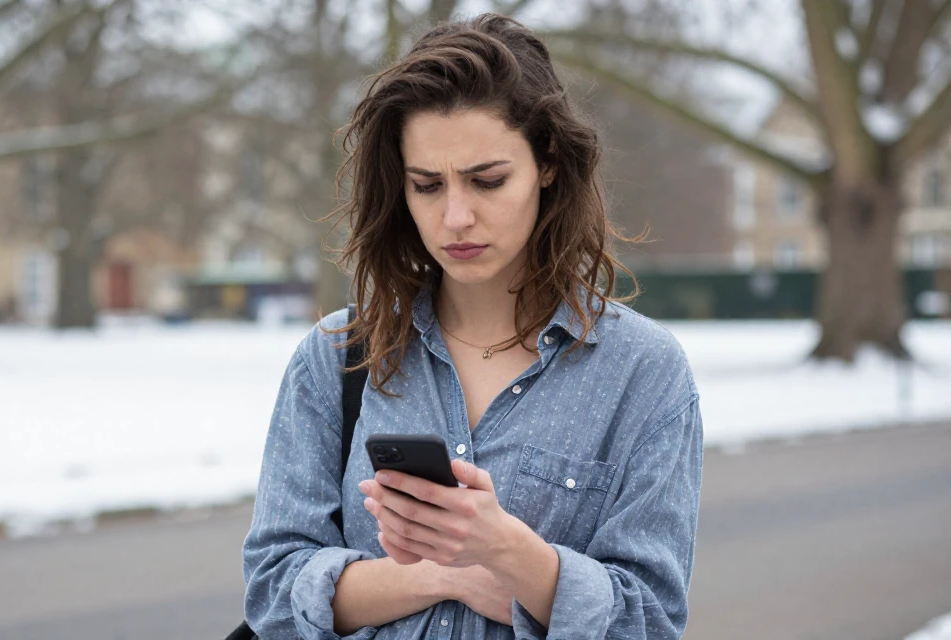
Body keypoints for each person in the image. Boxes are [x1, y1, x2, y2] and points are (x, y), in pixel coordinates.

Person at [242, 12, 702, 640]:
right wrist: (443, 574)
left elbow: (649, 623)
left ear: (547, 163)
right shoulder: (338, 357)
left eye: (488, 180)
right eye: (427, 185)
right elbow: (272, 593)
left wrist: (508, 550)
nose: (456, 216)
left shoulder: (643, 372)